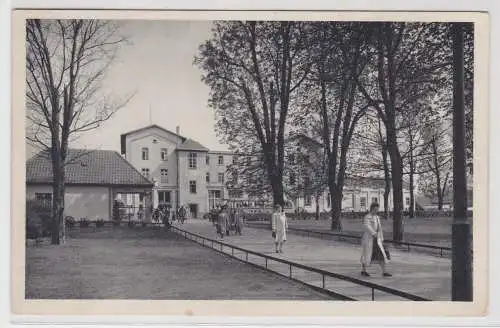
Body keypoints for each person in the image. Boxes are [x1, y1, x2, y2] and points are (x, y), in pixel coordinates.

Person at [360, 202, 392, 277]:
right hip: (369, 239)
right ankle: (363, 271)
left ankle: (384, 271)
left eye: (377, 209)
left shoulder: (377, 217)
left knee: (381, 254)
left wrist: (381, 237)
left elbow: (379, 228)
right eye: (375, 209)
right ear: (372, 209)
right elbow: (366, 226)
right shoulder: (367, 217)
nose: (376, 211)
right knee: (366, 255)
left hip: (377, 239)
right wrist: (373, 233)